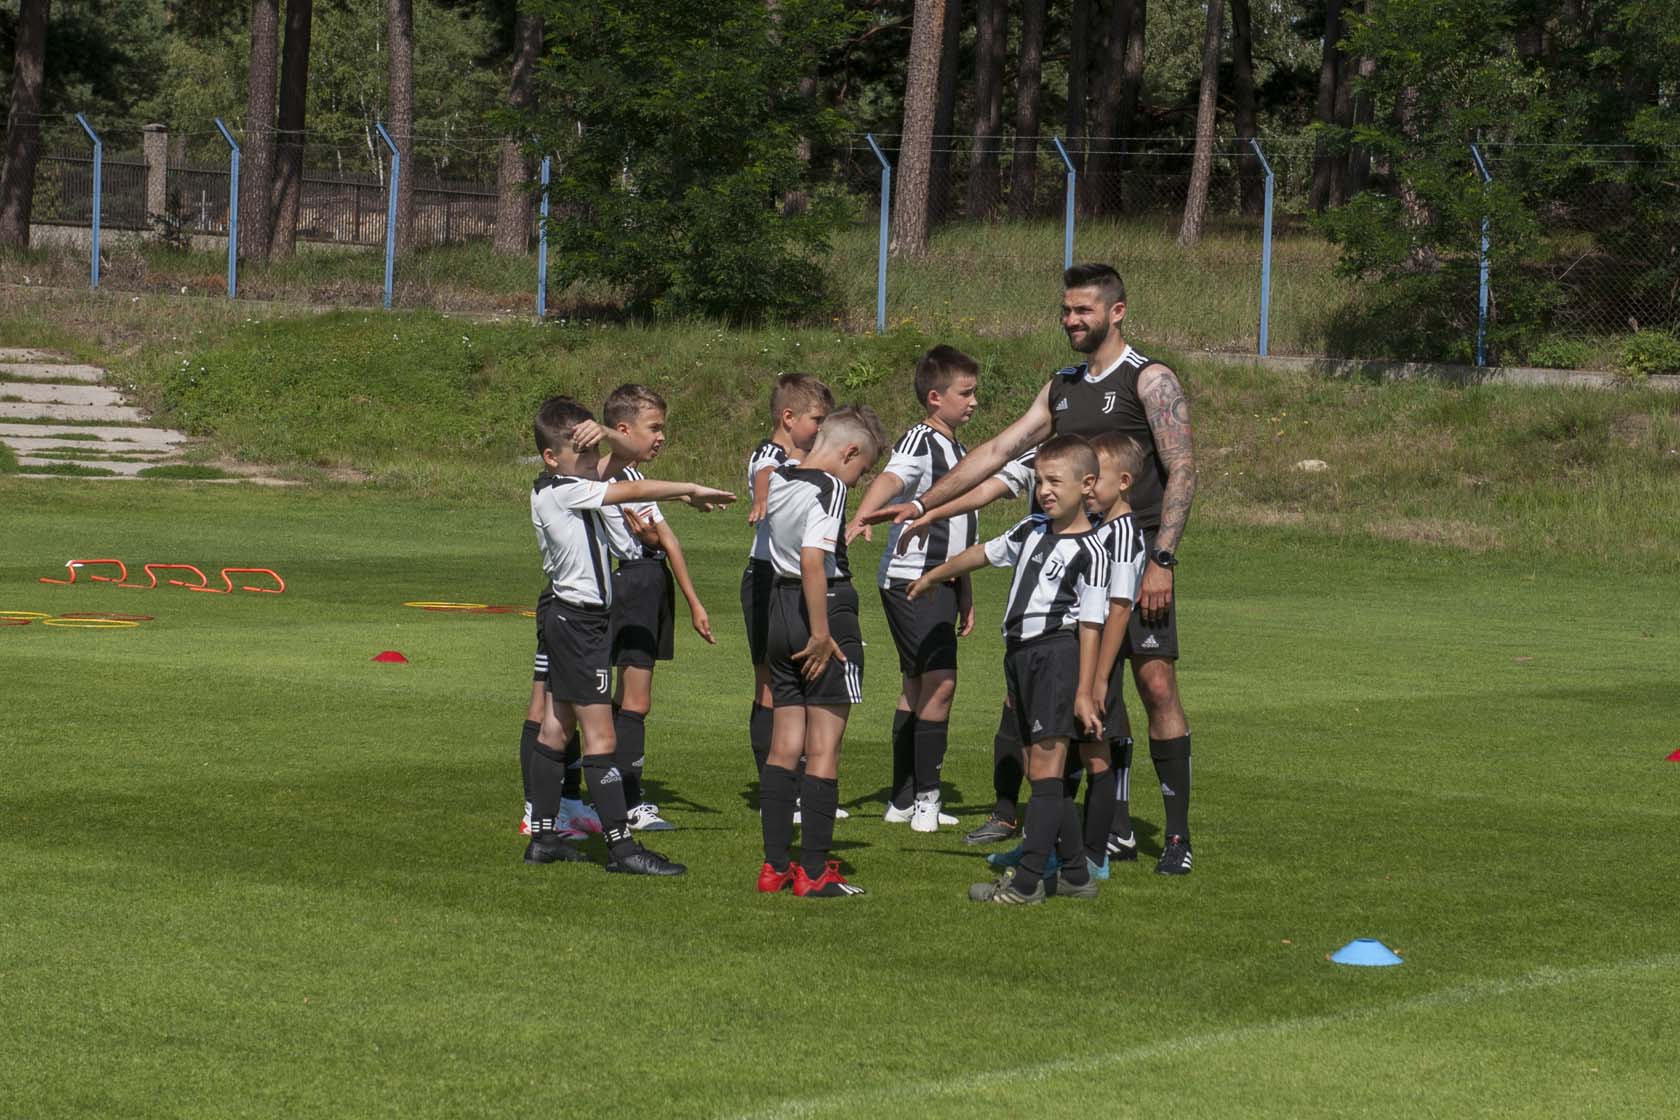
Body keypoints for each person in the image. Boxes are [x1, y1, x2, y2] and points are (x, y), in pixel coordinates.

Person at [890, 263, 1199, 875]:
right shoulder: (1061, 387)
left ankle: (1176, 837)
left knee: (1157, 687)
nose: (1070, 320)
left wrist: (1162, 558)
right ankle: (1099, 833)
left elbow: (1183, 468)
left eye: (1083, 310)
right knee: (1079, 695)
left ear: (1116, 312)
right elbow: (999, 450)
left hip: (1135, 561)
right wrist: (925, 503)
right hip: (1070, 567)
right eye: (1066, 310)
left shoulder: (1150, 379)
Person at [523, 395, 734, 875]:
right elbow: (629, 487)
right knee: (600, 737)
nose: (594, 462)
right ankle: (622, 849)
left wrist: (604, 435)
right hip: (580, 625)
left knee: (556, 728)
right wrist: (690, 488)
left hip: (570, 620)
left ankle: (543, 839)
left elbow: (628, 456)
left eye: (593, 452)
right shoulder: (565, 490)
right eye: (583, 454)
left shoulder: (564, 480)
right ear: (552, 457)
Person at [909, 435, 1110, 904]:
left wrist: (1084, 690)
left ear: (1087, 485)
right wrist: (934, 575)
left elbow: (1092, 626)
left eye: (1055, 481)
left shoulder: (1093, 552)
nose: (1044, 490)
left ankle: (1025, 883)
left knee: (1046, 769)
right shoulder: (1032, 530)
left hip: (1056, 657)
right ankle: (1076, 875)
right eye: (1039, 481)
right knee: (1041, 771)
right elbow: (983, 553)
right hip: (1020, 657)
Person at [987, 432, 1147, 879]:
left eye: (1098, 478)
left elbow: (1118, 609)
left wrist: (1098, 679)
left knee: (1093, 752)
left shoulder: (1122, 534)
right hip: (1067, 656)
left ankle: (1092, 856)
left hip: (1093, 659)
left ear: (1123, 481)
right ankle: (1051, 849)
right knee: (1057, 754)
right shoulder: (1097, 528)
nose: (1089, 488)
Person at [844, 345, 979, 832]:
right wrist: (862, 516)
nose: (974, 402)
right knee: (941, 684)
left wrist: (965, 589)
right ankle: (926, 800)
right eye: (965, 393)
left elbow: (960, 525)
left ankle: (902, 800)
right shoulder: (922, 439)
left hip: (941, 581)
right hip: (913, 581)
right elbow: (891, 478)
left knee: (917, 686)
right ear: (935, 397)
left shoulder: (957, 449)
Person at [756, 406, 887, 898]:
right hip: (823, 609)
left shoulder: (781, 476)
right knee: (824, 747)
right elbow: (814, 558)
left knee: (784, 743)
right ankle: (813, 872)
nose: (857, 481)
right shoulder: (830, 487)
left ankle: (775, 867)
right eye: (862, 470)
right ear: (849, 452)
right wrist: (820, 632)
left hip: (779, 608)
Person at [590, 384, 715, 833]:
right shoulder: (604, 476)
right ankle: (625, 800)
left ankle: (611, 788)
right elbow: (652, 536)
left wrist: (694, 602)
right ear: (623, 431)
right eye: (654, 427)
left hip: (651, 580)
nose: (662, 437)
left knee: (629, 701)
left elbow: (667, 539)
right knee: (630, 701)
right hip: (631, 583)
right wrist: (680, 498)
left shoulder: (633, 477)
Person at [742, 374, 834, 783]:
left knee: (800, 680)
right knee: (770, 683)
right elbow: (765, 472)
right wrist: (762, 498)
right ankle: (775, 786)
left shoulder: (806, 459)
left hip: (794, 575)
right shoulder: (771, 452)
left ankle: (796, 784)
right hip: (766, 575)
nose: (822, 429)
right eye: (817, 420)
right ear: (788, 417)